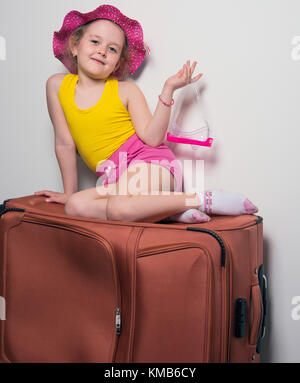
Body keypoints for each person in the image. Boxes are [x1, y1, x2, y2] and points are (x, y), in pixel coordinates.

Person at [35, 4, 258, 223]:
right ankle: (168, 211)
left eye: (112, 49)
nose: (102, 50)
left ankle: (201, 199)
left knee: (119, 206)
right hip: (116, 180)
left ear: (116, 64)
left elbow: (152, 138)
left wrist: (169, 88)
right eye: (95, 41)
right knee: (75, 205)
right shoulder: (56, 85)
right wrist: (68, 193)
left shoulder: (126, 90)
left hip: (152, 166)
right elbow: (65, 143)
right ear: (75, 46)